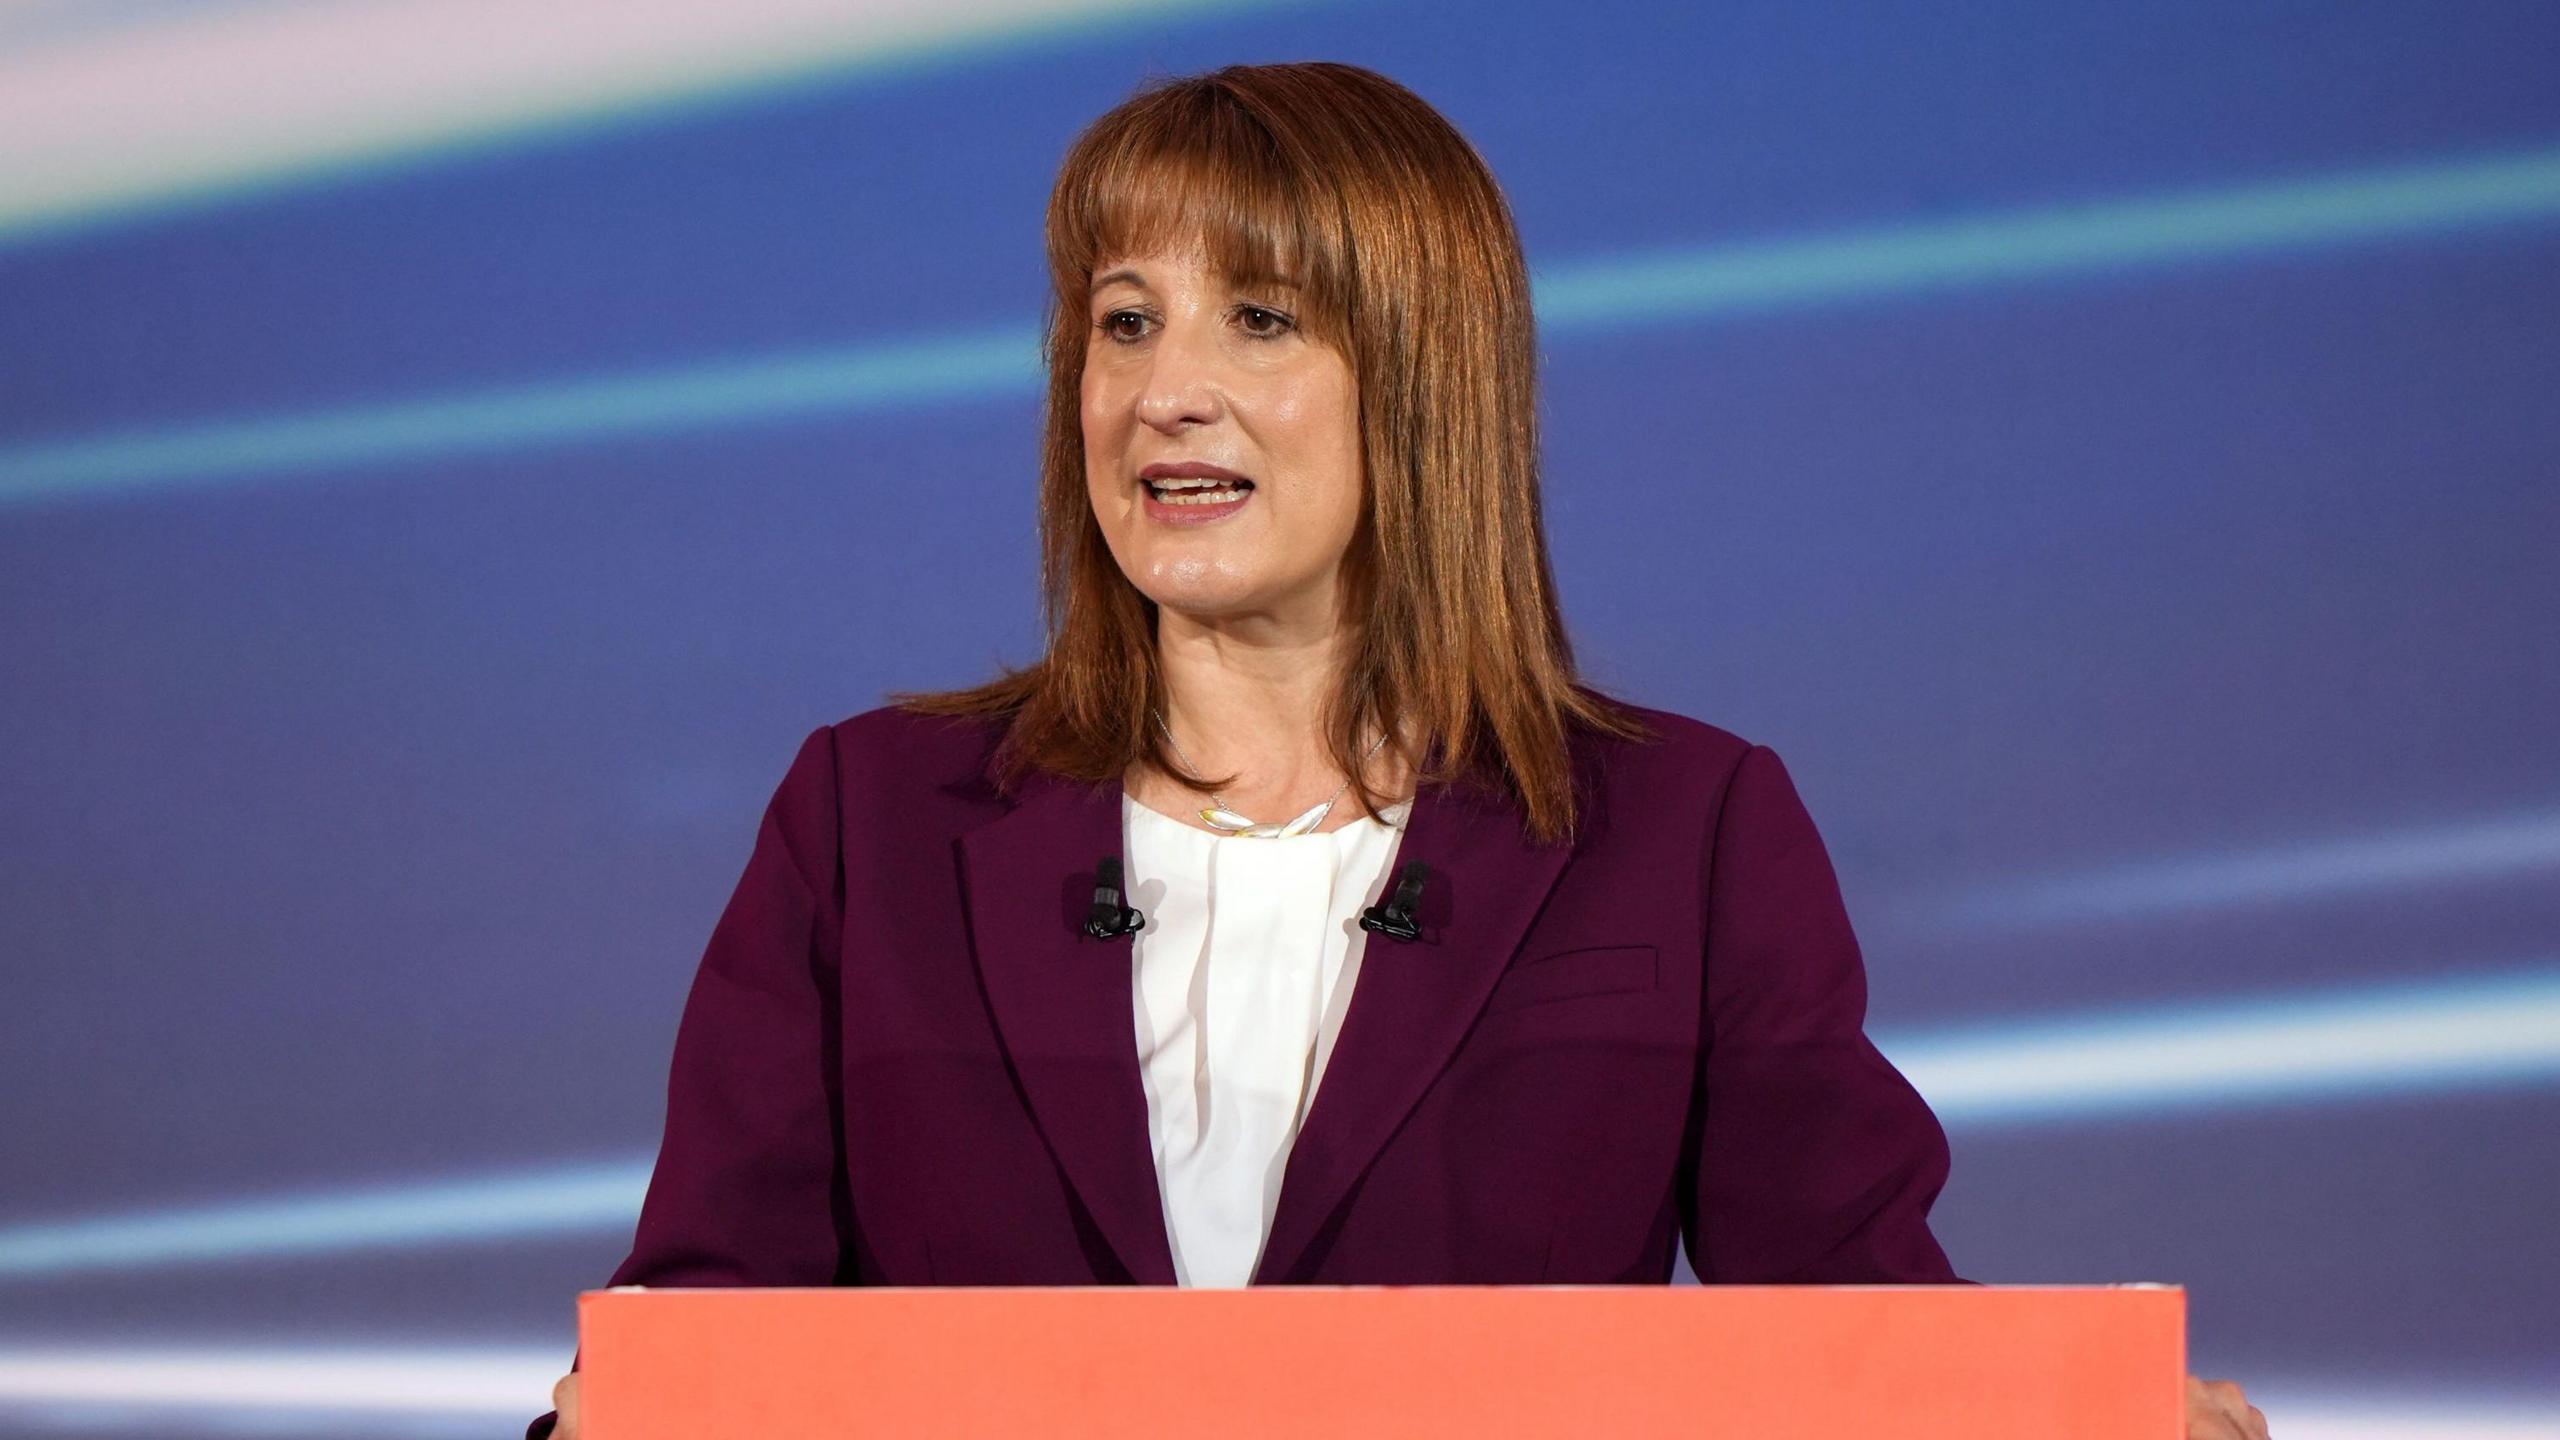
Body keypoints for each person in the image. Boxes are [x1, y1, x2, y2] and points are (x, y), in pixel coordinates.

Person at [533, 62, 2268, 1440]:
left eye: (1261, 320)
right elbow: (707, 1334)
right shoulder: (874, 818)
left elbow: (1846, 1316)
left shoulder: (1682, 828)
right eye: (1125, 321)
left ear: (1426, 378)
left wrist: (2079, 1421)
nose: (1166, 392)